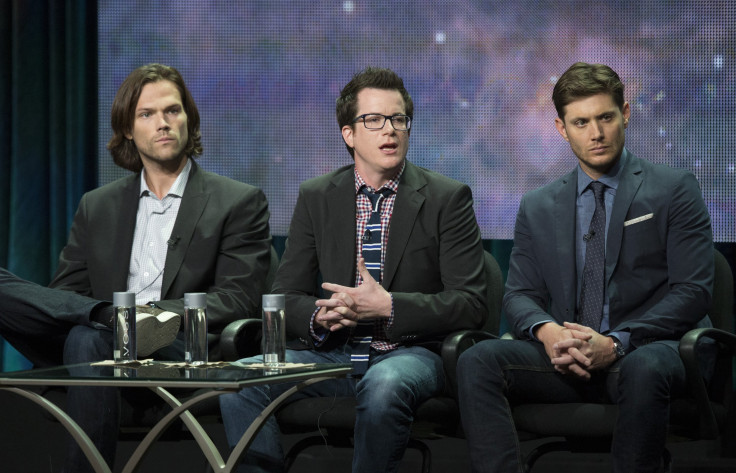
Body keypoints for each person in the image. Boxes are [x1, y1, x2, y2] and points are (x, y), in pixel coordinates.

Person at [0, 63, 272, 471]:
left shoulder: (237, 201)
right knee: (80, 326)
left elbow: (238, 299)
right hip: (98, 337)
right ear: (128, 129)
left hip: (177, 348)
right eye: (147, 114)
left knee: (87, 339)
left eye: (172, 111)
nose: (163, 123)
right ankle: (111, 317)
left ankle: (114, 322)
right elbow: (66, 294)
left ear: (188, 120)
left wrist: (148, 319)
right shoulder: (98, 205)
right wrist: (114, 320)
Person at [219, 66, 488, 472]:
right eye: (374, 120)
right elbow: (284, 296)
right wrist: (320, 314)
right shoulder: (317, 197)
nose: (390, 131)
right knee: (238, 380)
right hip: (333, 353)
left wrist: (388, 307)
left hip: (411, 353)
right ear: (349, 134)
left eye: (399, 119)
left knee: (384, 385)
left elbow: (470, 304)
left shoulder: (447, 199)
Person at [457, 62, 714, 473]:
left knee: (645, 367)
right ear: (562, 128)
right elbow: (519, 294)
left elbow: (693, 292)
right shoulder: (538, 205)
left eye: (605, 118)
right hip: (570, 358)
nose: (596, 133)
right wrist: (550, 332)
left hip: (648, 350)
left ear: (625, 114)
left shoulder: (674, 188)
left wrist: (614, 343)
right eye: (581, 122)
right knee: (478, 360)